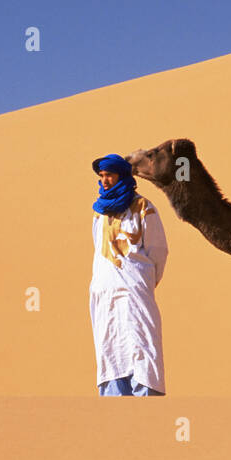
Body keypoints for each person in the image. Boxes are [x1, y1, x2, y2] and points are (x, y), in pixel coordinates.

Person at [89, 153, 169, 396]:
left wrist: (140, 280)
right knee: (110, 352)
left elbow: (159, 252)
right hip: (104, 294)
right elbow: (98, 248)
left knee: (142, 350)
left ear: (122, 176)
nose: (104, 181)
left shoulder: (144, 207)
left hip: (135, 292)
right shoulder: (99, 212)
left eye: (109, 175)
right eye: (102, 176)